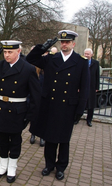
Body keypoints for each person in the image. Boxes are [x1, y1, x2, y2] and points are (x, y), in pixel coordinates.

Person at [26, 30, 89, 180]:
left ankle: (61, 167)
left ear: (73, 43)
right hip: (50, 105)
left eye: (67, 42)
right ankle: (49, 165)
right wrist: (43, 47)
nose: (64, 44)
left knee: (64, 140)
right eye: (62, 41)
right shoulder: (51, 59)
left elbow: (85, 88)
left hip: (68, 106)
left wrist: (80, 110)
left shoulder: (81, 62)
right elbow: (31, 58)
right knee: (49, 138)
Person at [0, 40, 41, 183]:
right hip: (0, 108)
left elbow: (36, 95)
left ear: (18, 51)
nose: (7, 55)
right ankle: (2, 165)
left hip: (17, 110)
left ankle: (12, 167)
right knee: (1, 140)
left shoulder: (28, 68)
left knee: (15, 141)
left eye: (10, 52)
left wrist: (30, 115)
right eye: (5, 52)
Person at [83, 48, 100, 127]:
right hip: (83, 86)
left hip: (92, 86)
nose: (86, 55)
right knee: (81, 103)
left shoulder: (95, 63)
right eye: (85, 53)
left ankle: (89, 120)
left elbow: (97, 75)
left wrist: (97, 87)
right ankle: (77, 118)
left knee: (91, 104)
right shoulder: (82, 61)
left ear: (91, 55)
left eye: (88, 54)